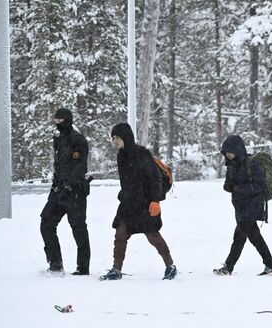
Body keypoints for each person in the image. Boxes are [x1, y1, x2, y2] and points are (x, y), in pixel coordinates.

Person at [100, 123, 177, 280]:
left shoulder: (142, 154)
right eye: (113, 138)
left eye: (117, 138)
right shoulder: (121, 155)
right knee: (120, 235)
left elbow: (155, 178)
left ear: (125, 138)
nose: (114, 141)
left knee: (153, 235)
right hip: (128, 203)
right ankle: (116, 270)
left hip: (144, 203)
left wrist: (155, 200)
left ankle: (170, 266)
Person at [213, 135, 272, 276]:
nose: (228, 155)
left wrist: (239, 188)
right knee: (255, 237)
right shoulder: (231, 165)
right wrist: (229, 186)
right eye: (226, 152)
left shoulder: (251, 163)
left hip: (252, 205)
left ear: (237, 150)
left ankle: (228, 267)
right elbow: (228, 186)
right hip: (240, 206)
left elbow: (260, 185)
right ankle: (271, 265)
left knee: (239, 237)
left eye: (230, 152)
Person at [40, 108, 91, 275]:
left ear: (67, 120)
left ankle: (82, 268)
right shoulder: (59, 139)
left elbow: (80, 166)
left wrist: (69, 184)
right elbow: (60, 166)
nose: (56, 124)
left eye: (59, 120)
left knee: (78, 227)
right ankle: (55, 263)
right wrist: (56, 184)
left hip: (75, 191)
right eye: (55, 121)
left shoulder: (78, 140)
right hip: (58, 190)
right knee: (46, 222)